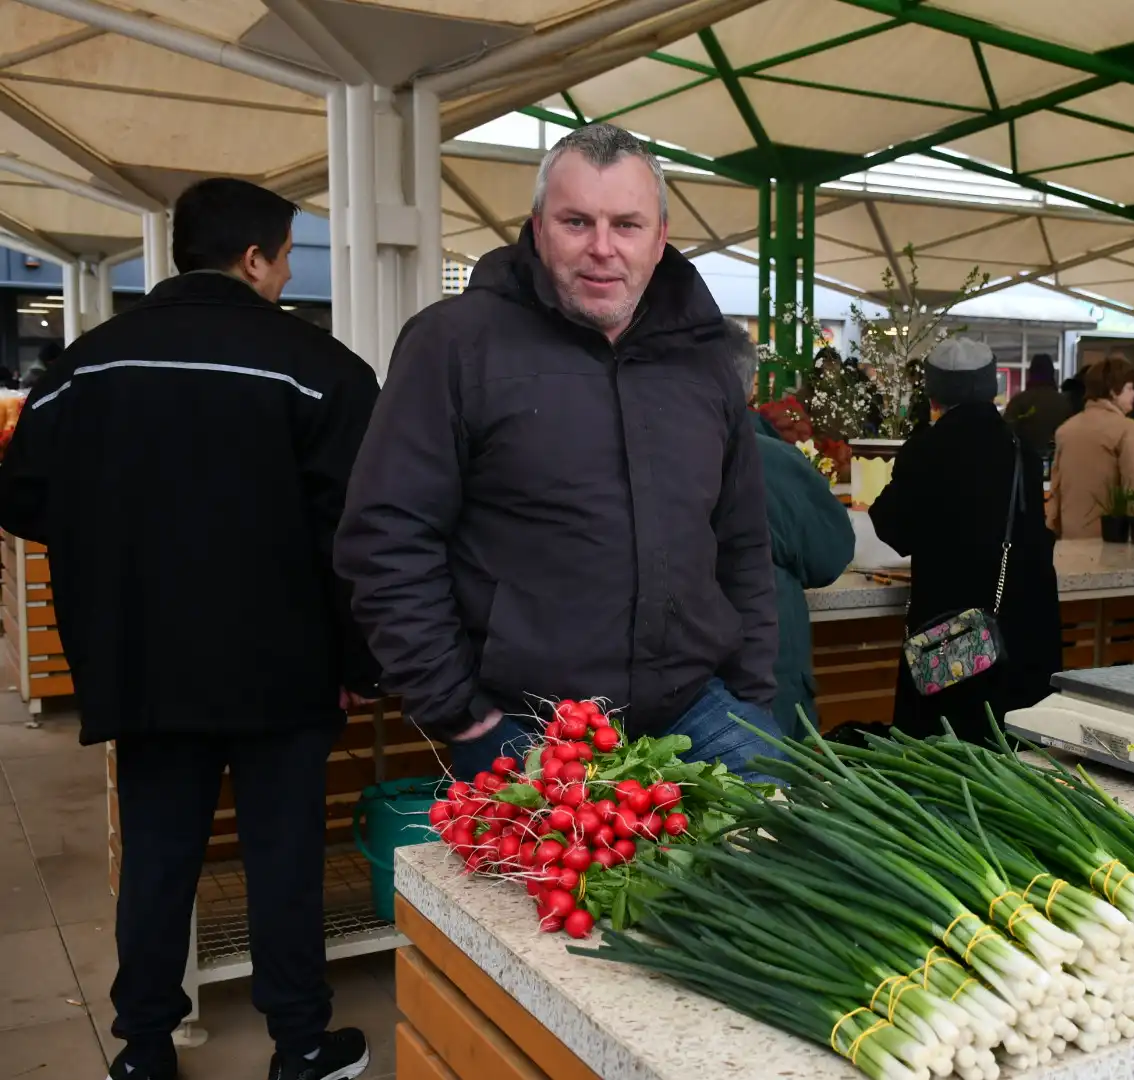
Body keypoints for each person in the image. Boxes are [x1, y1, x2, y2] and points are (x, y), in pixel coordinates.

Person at [0, 178, 379, 1080]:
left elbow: (19, 496)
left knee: (160, 852)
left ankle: (143, 1048)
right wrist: (362, 660)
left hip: (141, 660)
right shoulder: (322, 370)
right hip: (282, 668)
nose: (288, 274)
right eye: (285, 257)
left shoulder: (86, 365)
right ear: (254, 259)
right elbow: (357, 535)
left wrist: (121, 544)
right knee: (283, 855)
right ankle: (300, 1046)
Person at [334, 122, 783, 782]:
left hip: (698, 711)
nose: (602, 249)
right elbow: (387, 535)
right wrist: (458, 708)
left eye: (626, 225)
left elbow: (742, 539)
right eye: (578, 222)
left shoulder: (705, 361)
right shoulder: (455, 345)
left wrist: (750, 692)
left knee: (788, 856)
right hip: (528, 726)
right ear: (539, 228)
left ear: (660, 239)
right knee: (553, 890)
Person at [869, 337, 1060, 746]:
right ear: (991, 385)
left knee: (943, 753)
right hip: (1016, 632)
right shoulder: (1020, 449)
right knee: (1011, 754)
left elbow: (892, 527)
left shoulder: (925, 448)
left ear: (935, 390)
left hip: (948, 639)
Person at [722, 321, 855, 735]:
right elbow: (830, 554)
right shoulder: (771, 461)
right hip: (764, 686)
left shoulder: (641, 451)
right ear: (750, 387)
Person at [1046, 356, 1134, 539]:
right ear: (1113, 391)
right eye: (1130, 388)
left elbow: (1056, 489)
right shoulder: (1127, 429)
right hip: (1111, 540)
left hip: (1070, 539)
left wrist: (1052, 530)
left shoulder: (1065, 430)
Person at [1002, 353, 1072, 454]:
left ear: (1031, 373)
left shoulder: (1020, 400)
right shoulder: (1064, 402)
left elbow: (1006, 431)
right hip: (1057, 457)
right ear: (1052, 373)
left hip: (1026, 459)